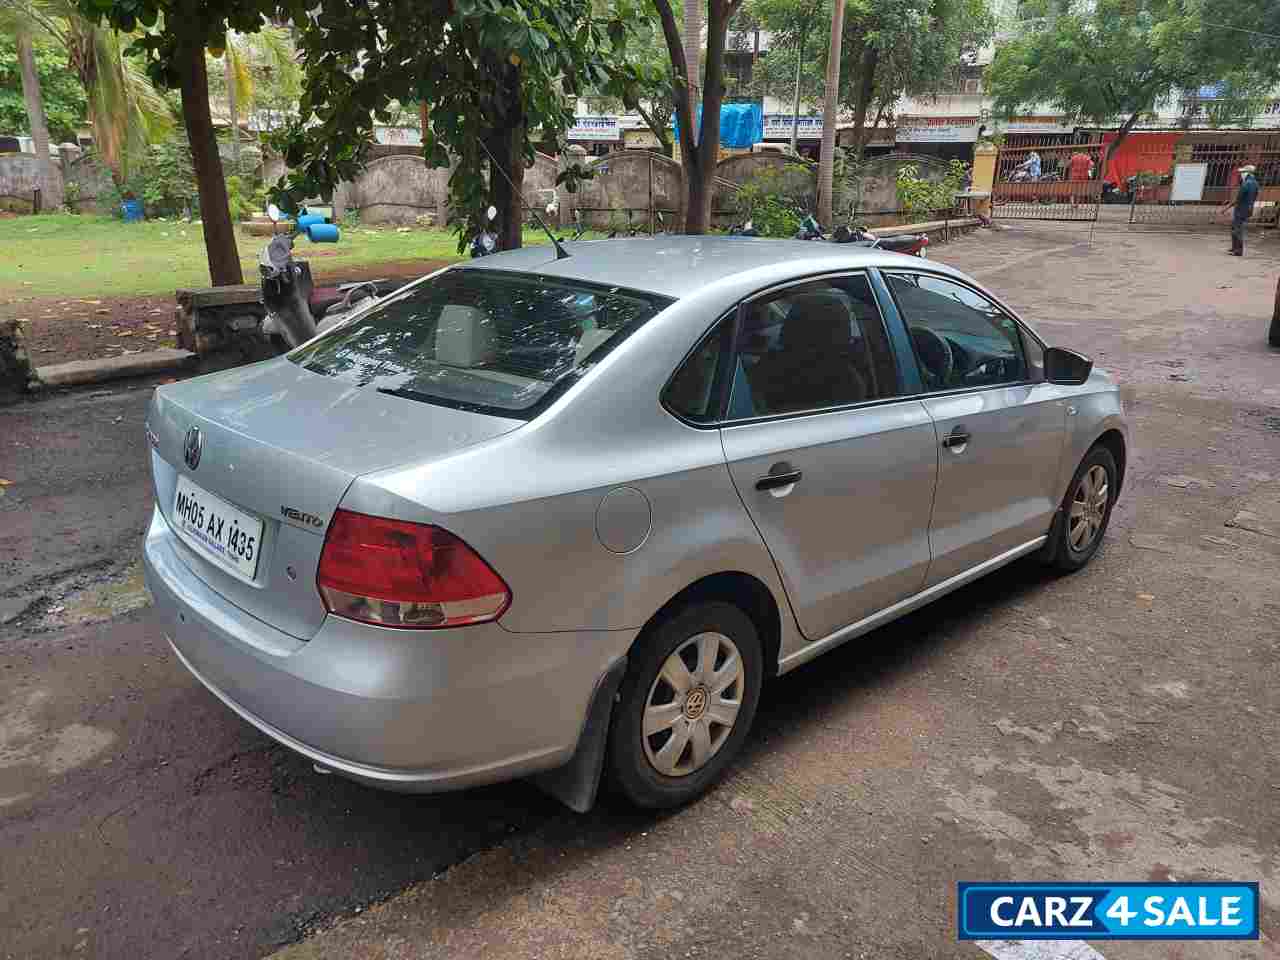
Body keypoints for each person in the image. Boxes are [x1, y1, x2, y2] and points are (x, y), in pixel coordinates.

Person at [1222, 164, 1259, 256]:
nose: (1241, 174)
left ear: (1248, 173)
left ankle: (1238, 250)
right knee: (1235, 227)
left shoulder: (1247, 183)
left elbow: (1239, 198)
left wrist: (1227, 207)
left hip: (1241, 209)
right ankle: (1234, 248)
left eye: (1242, 172)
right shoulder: (1255, 183)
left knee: (1237, 229)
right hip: (1247, 208)